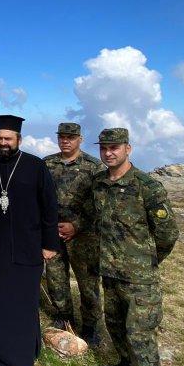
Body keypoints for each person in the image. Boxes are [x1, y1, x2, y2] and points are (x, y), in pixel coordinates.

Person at [86, 128, 179, 366]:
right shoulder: (99, 183)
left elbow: (167, 233)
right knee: (115, 323)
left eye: (114, 147)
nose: (108, 153)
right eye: (104, 148)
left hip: (139, 277)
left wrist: (147, 261)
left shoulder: (146, 186)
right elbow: (95, 220)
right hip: (110, 271)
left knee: (140, 331)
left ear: (128, 148)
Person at [0, 115, 60, 366]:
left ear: (18, 140)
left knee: (22, 301)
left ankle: (19, 357)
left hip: (27, 245)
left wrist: (49, 243)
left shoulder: (35, 166)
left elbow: (49, 206)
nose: (3, 143)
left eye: (8, 139)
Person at [43, 122, 103, 345]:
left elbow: (100, 204)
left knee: (87, 283)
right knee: (56, 278)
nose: (65, 141)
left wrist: (76, 225)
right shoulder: (47, 164)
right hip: (53, 232)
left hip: (84, 236)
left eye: (70, 137)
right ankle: (62, 317)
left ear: (80, 139)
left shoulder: (94, 167)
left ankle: (91, 326)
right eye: (62, 137)